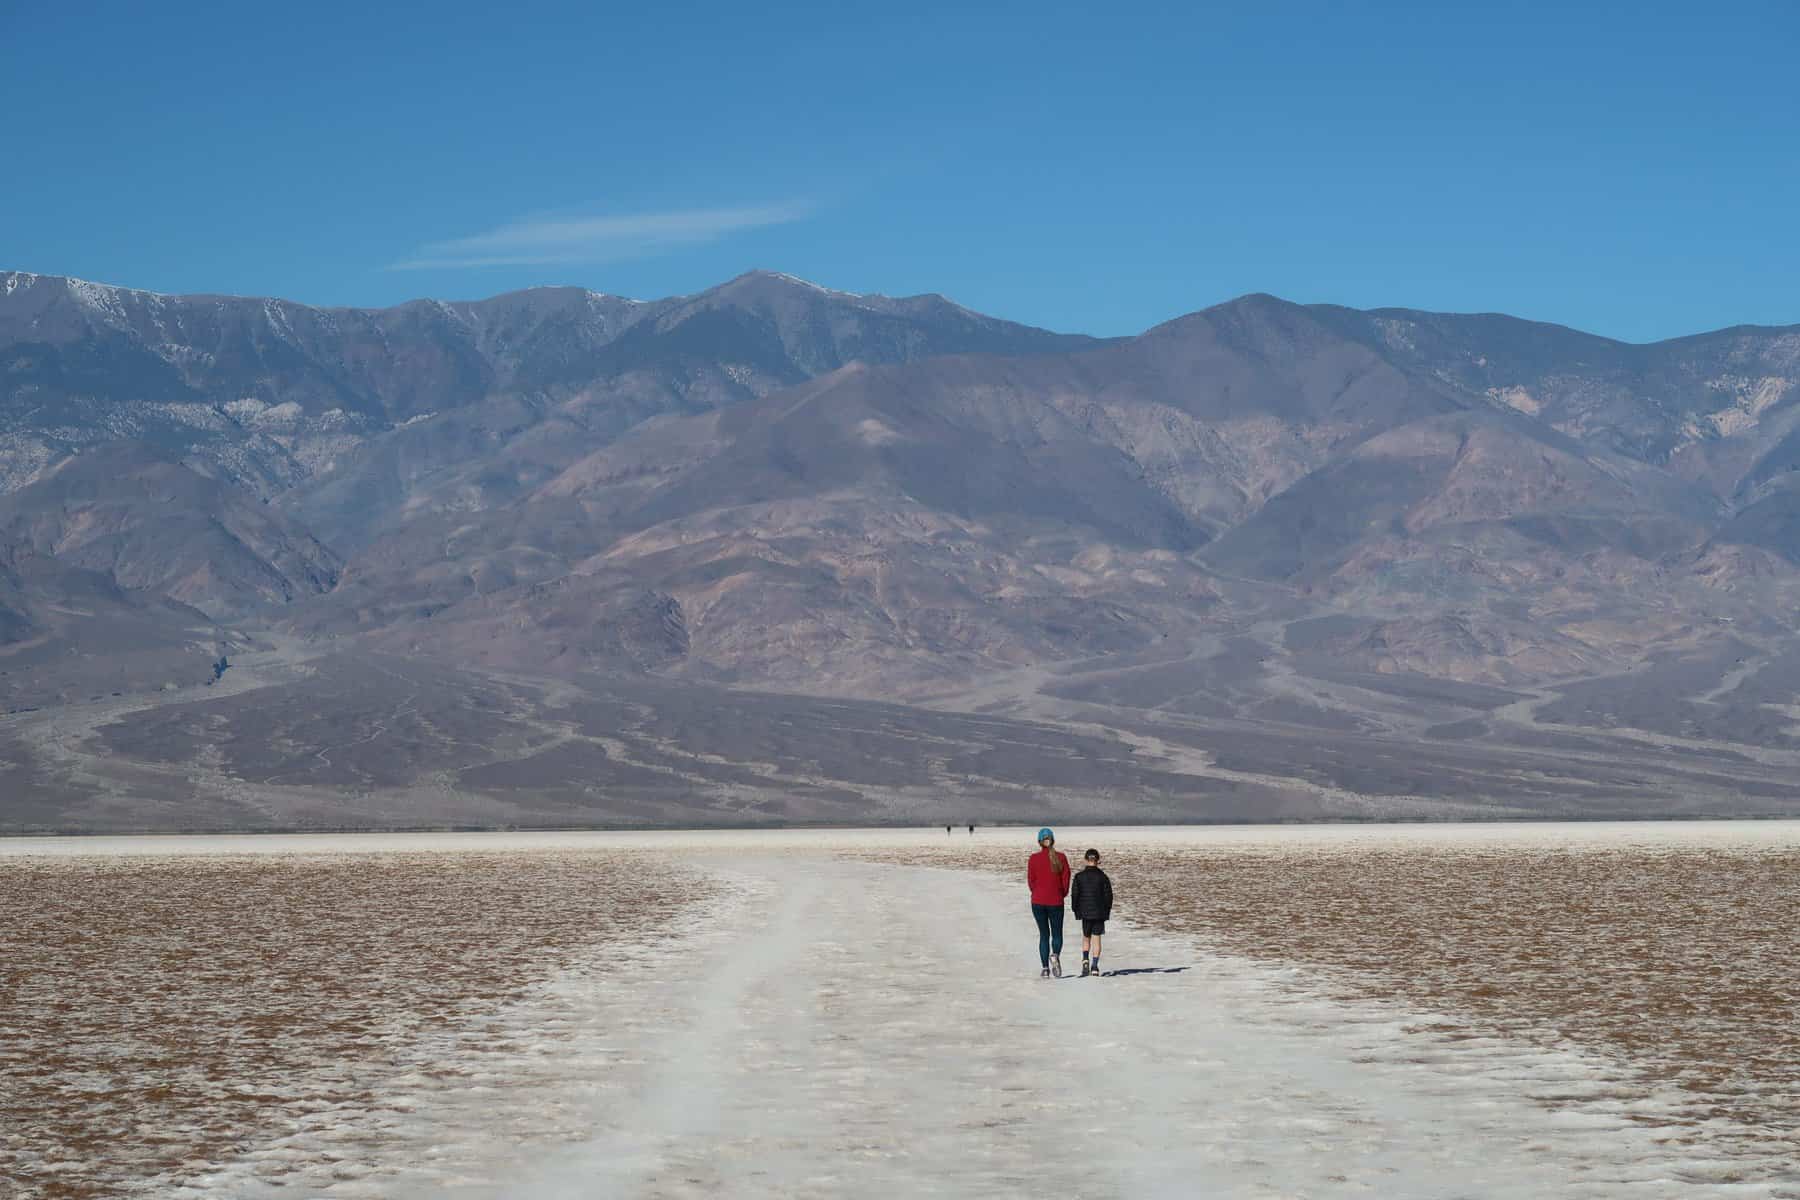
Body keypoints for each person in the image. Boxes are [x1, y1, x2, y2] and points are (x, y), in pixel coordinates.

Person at [1026, 827, 1071, 977]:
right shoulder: (1061, 857)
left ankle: (1045, 969)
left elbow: (1031, 882)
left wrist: (1038, 892)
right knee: (1057, 934)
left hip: (1038, 902)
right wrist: (1060, 894)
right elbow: (1066, 880)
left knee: (1044, 935)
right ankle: (1055, 955)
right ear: (1052, 840)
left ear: (1039, 842)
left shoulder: (1033, 859)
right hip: (1055, 901)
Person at [1069, 848, 1114, 977]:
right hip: (1099, 913)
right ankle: (1094, 966)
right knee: (1097, 938)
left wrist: (1076, 910)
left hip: (1085, 913)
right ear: (1098, 860)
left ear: (1085, 860)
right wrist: (1107, 911)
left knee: (1086, 937)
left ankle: (1085, 961)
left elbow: (1075, 895)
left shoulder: (1079, 877)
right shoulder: (1103, 877)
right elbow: (1109, 896)